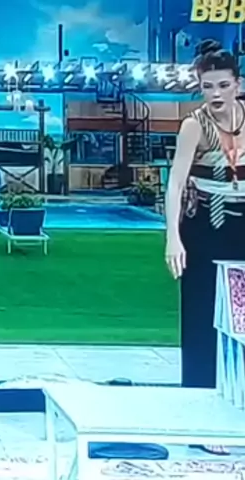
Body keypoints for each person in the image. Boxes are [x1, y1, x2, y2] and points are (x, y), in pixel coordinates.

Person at [165, 39, 245, 456]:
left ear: (237, 85)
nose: (215, 94)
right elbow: (176, 184)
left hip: (242, 225)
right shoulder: (193, 126)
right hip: (203, 229)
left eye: (222, 85)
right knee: (201, 323)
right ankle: (201, 418)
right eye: (207, 86)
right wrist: (172, 237)